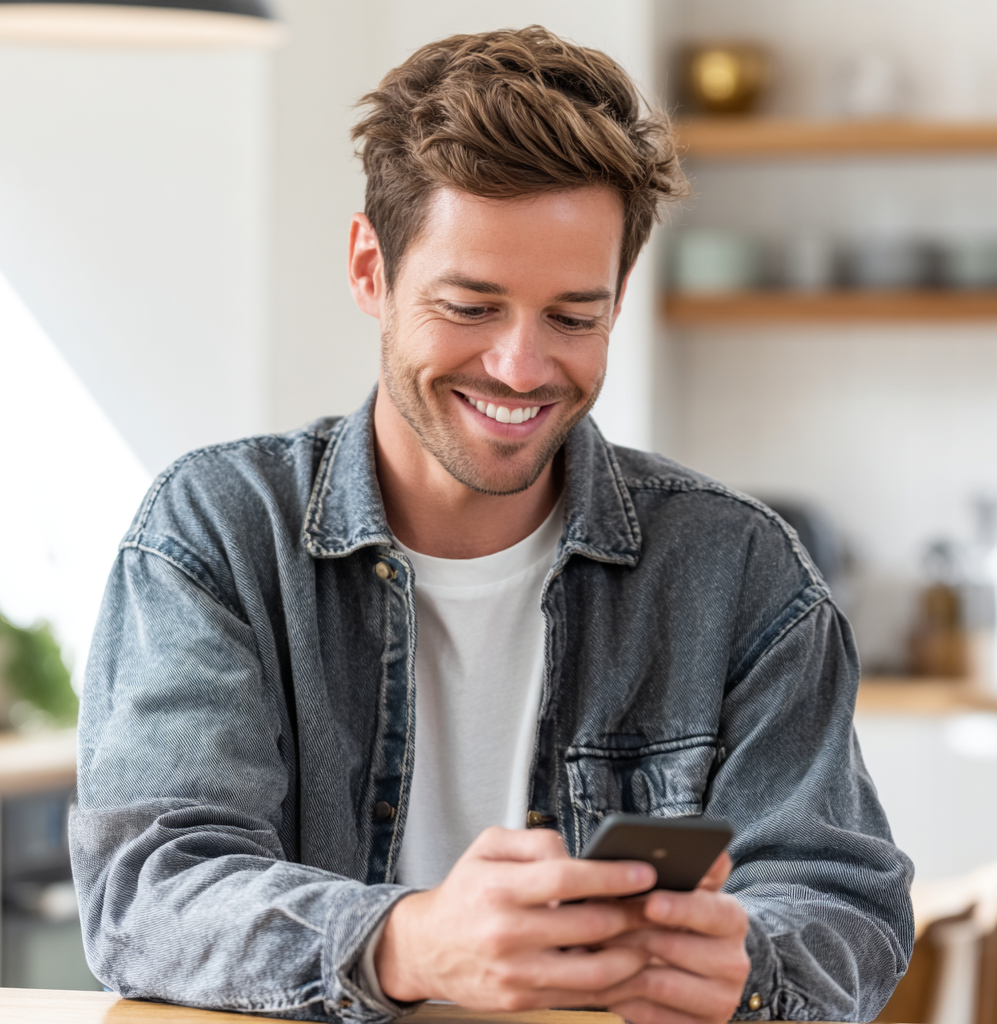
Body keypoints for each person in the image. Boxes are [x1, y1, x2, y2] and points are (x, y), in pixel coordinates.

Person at [71, 25, 913, 1024]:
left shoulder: (737, 570)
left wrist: (756, 966)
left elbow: (844, 902)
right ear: (369, 269)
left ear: (618, 298)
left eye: (572, 315)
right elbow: (148, 890)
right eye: (470, 305)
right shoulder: (217, 534)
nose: (519, 368)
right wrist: (411, 941)